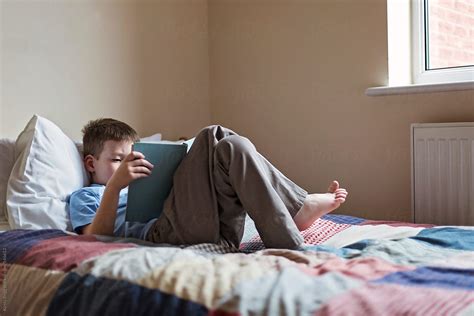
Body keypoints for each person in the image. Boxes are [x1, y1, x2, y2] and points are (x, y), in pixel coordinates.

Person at [69, 118, 348, 249]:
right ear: (91, 163)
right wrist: (116, 186)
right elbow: (95, 238)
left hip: (208, 225)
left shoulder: (141, 180)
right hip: (162, 231)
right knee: (212, 134)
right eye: (118, 160)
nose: (127, 166)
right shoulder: (85, 196)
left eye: (131, 158)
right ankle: (292, 228)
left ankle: (297, 209)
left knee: (232, 145)